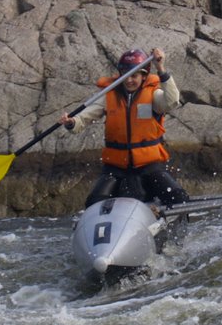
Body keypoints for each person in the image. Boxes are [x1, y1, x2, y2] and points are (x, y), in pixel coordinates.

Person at [59, 47, 190, 208]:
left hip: (148, 165)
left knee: (179, 198)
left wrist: (161, 68)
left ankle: (171, 221)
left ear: (143, 76)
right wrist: (71, 122)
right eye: (125, 75)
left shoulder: (153, 95)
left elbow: (172, 102)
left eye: (134, 76)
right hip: (116, 167)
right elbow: (84, 117)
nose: (129, 80)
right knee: (94, 203)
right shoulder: (109, 96)